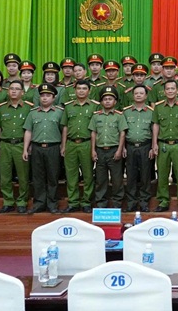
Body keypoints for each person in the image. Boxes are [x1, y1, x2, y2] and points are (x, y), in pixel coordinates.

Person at [23, 83, 65, 214]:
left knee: (53, 177)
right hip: (37, 147)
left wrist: (63, 146)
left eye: (48, 95)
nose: (45, 98)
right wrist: (25, 149)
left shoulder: (59, 112)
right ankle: (39, 203)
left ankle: (52, 204)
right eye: (42, 96)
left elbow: (64, 130)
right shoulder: (33, 113)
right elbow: (28, 131)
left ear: (53, 98)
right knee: (38, 177)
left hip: (53, 147)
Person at [152, 79, 178, 212]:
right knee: (162, 175)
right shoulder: (158, 106)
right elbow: (156, 125)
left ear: (177, 91)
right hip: (163, 144)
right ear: (164, 91)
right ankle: (163, 201)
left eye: (172, 89)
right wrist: (154, 143)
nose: (170, 91)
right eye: (167, 89)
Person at [0, 80, 32, 213]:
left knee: (23, 176)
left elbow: (30, 129)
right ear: (8, 91)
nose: (14, 91)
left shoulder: (28, 108)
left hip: (21, 145)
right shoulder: (1, 108)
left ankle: (22, 202)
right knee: (5, 176)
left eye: (17, 89)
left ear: (22, 92)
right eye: (11, 89)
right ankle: (8, 202)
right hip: (4, 145)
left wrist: (28, 146)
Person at [61, 80, 96, 213]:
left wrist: (94, 148)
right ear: (75, 91)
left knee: (88, 175)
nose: (81, 91)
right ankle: (73, 202)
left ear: (89, 91)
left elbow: (96, 129)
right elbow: (65, 127)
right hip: (70, 144)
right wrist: (63, 145)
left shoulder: (95, 106)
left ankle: (86, 202)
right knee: (71, 175)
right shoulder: (68, 107)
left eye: (84, 88)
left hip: (87, 143)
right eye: (79, 88)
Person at [90, 86, 127, 210]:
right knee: (100, 179)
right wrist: (93, 150)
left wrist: (119, 150)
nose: (107, 101)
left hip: (114, 150)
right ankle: (101, 203)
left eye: (110, 99)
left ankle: (117, 203)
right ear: (101, 102)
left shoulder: (119, 116)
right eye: (105, 99)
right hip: (100, 150)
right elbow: (93, 133)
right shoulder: (96, 116)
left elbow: (122, 133)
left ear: (115, 102)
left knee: (117, 179)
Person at [123, 82, 155, 212]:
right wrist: (123, 147)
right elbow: (122, 131)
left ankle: (144, 202)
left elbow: (154, 130)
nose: (138, 95)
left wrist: (153, 147)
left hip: (145, 146)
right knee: (130, 175)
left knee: (145, 175)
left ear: (146, 96)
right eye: (136, 93)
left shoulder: (152, 112)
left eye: (141, 93)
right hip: (130, 147)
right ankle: (131, 202)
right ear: (133, 95)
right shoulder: (126, 112)